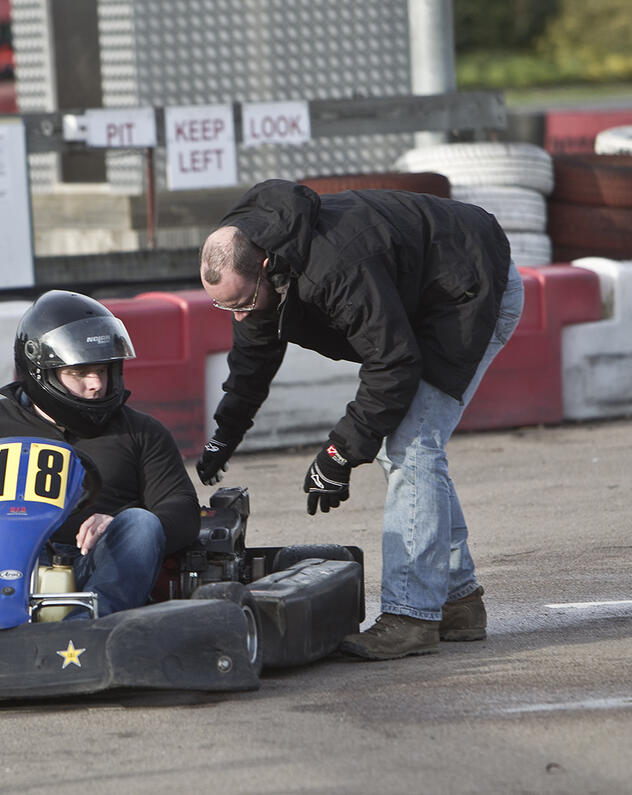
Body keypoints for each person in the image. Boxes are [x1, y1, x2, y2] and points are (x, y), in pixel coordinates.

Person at [196, 179, 523, 661]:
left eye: (242, 303)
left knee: (410, 447)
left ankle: (411, 617)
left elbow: (393, 363)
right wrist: (224, 436)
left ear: (266, 267)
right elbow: (253, 357)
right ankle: (458, 604)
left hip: (469, 291)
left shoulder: (338, 265)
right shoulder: (256, 262)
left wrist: (339, 454)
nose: (239, 317)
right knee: (410, 449)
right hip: (413, 298)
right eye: (225, 307)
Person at [0, 290, 199, 627]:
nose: (96, 385)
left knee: (142, 523)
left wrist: (116, 523)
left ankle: (86, 627)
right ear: (41, 371)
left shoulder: (140, 432)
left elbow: (183, 511)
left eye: (103, 371)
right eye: (80, 372)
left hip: (95, 566)